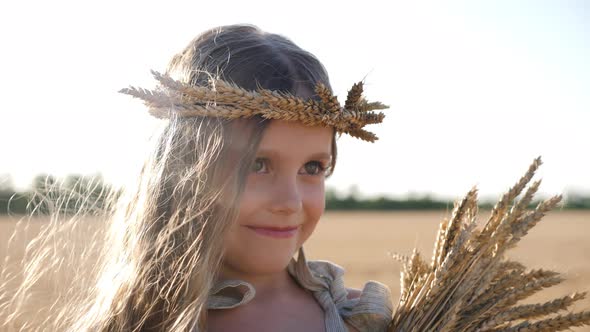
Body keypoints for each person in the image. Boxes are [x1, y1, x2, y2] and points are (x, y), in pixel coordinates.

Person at [2, 24, 392, 332]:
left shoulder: (359, 319)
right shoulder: (136, 321)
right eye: (257, 165)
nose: (290, 202)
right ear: (183, 171)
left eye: (312, 168)